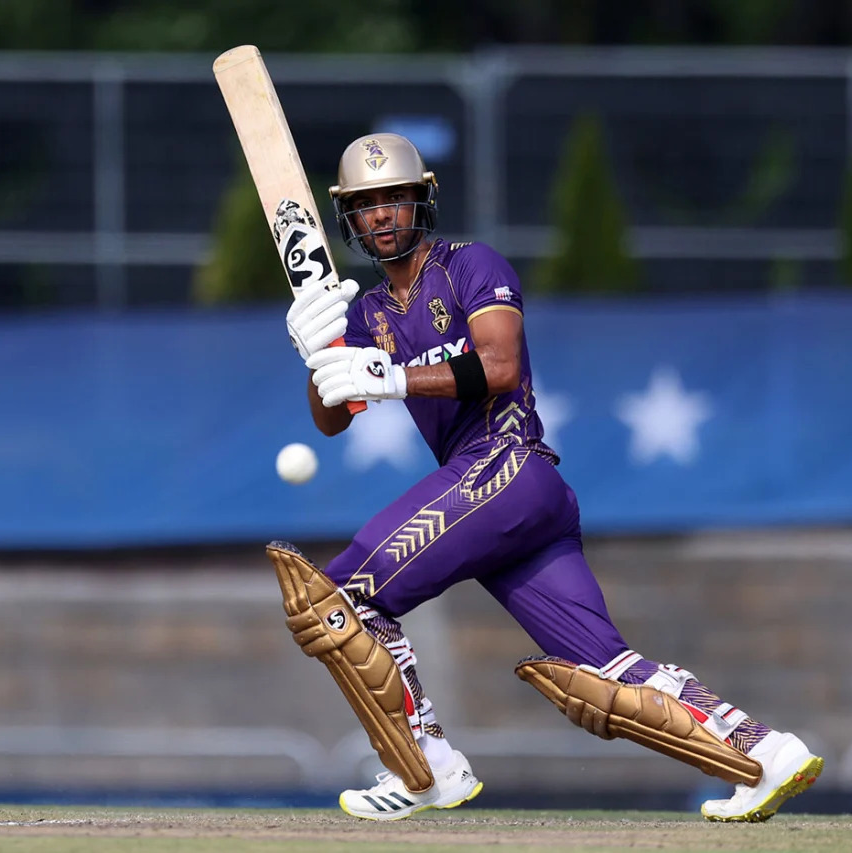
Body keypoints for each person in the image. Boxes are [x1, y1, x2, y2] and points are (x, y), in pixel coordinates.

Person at [272, 132, 823, 823]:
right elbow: (332, 421)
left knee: (339, 600)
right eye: (366, 205)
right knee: (605, 671)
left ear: (422, 202)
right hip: (507, 505)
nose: (382, 215)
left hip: (507, 467)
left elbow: (498, 365)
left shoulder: (470, 265)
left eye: (394, 199)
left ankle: (427, 768)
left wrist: (391, 375)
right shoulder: (366, 313)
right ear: (350, 218)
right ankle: (766, 752)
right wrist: (316, 354)